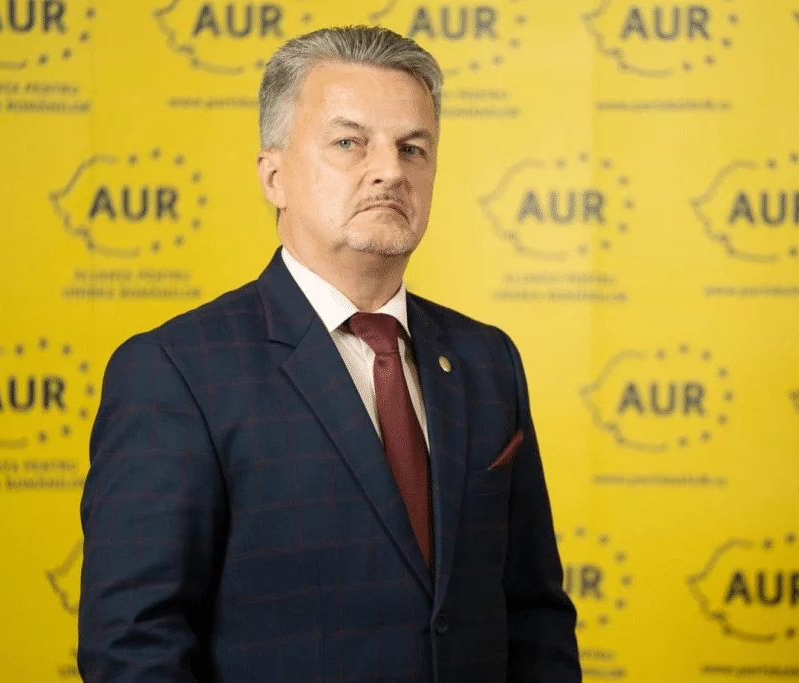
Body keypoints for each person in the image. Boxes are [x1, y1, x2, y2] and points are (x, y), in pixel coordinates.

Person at [78, 25, 580, 683]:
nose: (390, 170)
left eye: (413, 148)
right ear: (274, 176)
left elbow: (536, 618)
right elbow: (134, 647)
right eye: (350, 142)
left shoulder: (488, 362)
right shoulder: (175, 372)